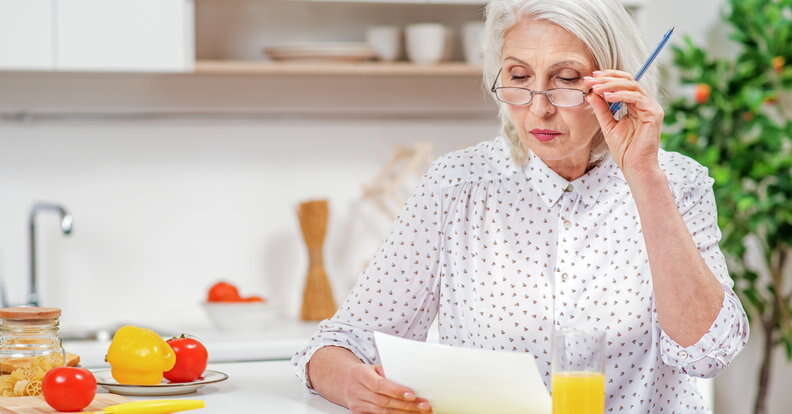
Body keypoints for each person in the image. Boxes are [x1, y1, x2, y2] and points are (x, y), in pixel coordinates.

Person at [291, 0, 750, 412]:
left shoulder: (676, 183)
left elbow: (708, 352)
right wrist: (353, 385)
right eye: (518, 78)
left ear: (616, 84)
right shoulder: (458, 184)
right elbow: (338, 344)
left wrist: (644, 176)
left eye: (567, 80)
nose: (539, 109)